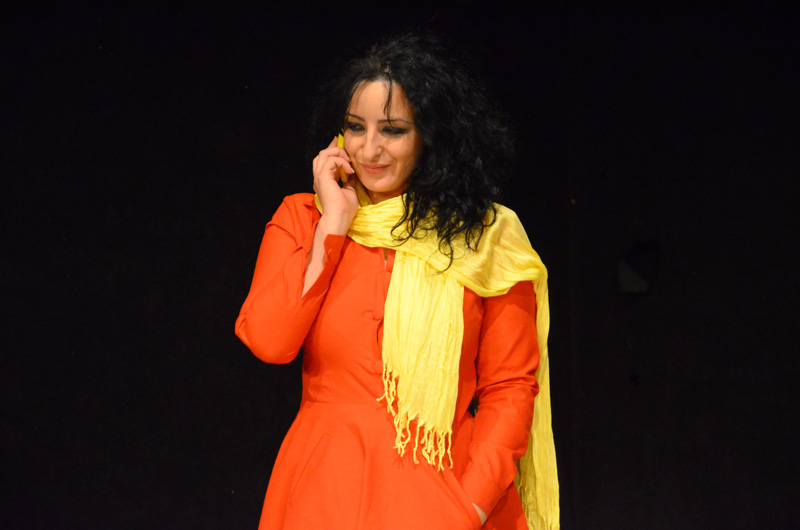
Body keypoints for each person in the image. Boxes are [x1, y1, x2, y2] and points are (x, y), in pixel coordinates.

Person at [235, 33, 558, 530]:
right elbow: (269, 341)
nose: (369, 149)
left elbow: (510, 388)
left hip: (449, 495)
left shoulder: (484, 235)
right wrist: (333, 224)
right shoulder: (304, 218)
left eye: (393, 130)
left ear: (431, 135)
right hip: (325, 493)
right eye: (354, 127)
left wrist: (469, 506)